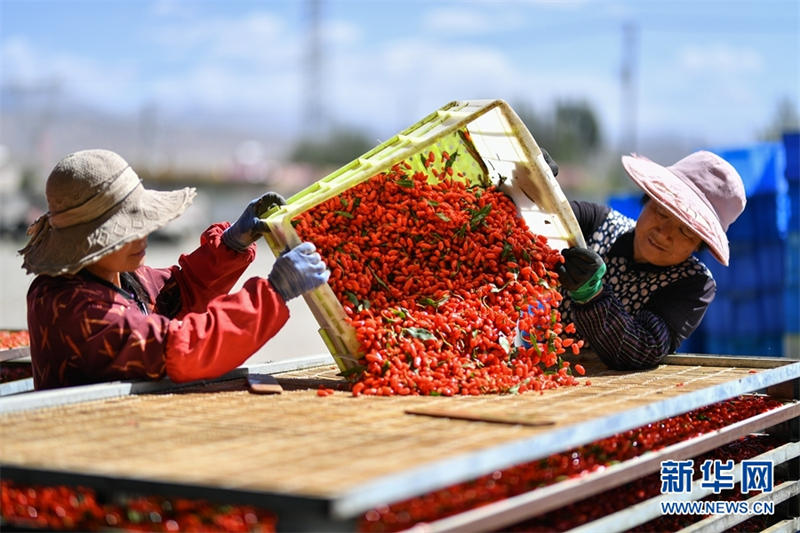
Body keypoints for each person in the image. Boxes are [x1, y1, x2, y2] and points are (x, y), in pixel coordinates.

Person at [19, 149, 329, 390]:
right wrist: (272, 293)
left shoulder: (122, 276)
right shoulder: (68, 303)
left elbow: (179, 290)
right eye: (125, 232)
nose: (143, 236)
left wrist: (231, 244)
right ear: (87, 242)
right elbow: (181, 347)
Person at [545, 150, 746, 370]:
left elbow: (643, 348)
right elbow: (537, 221)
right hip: (536, 371)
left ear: (699, 244)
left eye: (686, 231)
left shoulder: (693, 284)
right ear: (647, 201)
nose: (664, 233)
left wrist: (591, 296)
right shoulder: (596, 223)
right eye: (661, 212)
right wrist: (537, 189)